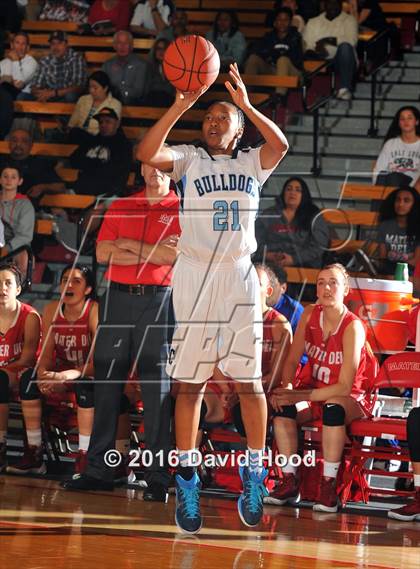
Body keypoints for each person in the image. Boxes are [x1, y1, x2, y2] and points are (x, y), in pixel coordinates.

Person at [137, 62, 289, 533]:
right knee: (191, 385)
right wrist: (179, 104)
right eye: (209, 118)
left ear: (239, 128)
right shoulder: (188, 159)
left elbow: (280, 144)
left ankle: (254, 473)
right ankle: (187, 479)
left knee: (250, 384)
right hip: (196, 273)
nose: (214, 123)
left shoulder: (251, 163)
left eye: (223, 118)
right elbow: (145, 151)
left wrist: (244, 103)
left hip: (239, 275)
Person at [63, 163, 180, 502]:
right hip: (116, 298)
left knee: (156, 391)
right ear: (141, 168)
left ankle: (158, 476)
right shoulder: (121, 205)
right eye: (151, 165)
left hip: (158, 301)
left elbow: (171, 257)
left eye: (163, 167)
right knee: (106, 386)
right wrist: (148, 251)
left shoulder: (181, 209)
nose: (156, 171)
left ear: (171, 171)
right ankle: (97, 470)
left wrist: (126, 245)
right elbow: (102, 252)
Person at [269, 263, 377, 511]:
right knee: (284, 410)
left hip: (352, 396)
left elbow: (345, 386)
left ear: (346, 290)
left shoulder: (352, 326)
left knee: (333, 409)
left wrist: (299, 393)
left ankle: (329, 486)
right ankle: (289, 480)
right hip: (315, 390)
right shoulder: (309, 314)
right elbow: (293, 360)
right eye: (321, 282)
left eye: (333, 283)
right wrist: (286, 389)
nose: (326, 288)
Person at [7, 265, 98, 475]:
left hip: (86, 374)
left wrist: (64, 376)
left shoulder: (94, 311)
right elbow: (46, 355)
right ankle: (35, 453)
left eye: (76, 281)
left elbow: (97, 363)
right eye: (65, 279)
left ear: (88, 289)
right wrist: (43, 374)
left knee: (86, 386)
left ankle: (84, 456)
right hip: (61, 375)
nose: (69, 284)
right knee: (28, 379)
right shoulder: (51, 310)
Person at [201, 264, 292, 437]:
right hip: (227, 388)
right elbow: (214, 361)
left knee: (245, 408)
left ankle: (254, 460)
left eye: (255, 283)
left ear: (269, 291)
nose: (247, 287)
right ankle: (187, 461)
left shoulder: (279, 324)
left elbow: (275, 377)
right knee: (190, 400)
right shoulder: (228, 318)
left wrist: (240, 391)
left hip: (261, 390)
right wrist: (228, 391)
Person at [0, 263, 41, 472]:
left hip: (20, 373)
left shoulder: (30, 316)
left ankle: (28, 451)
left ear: (18, 289)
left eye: (8, 283)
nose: (2, 288)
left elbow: (27, 359)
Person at [255, 176, 329, 268]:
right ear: (283, 193)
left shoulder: (313, 215)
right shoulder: (269, 214)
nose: (292, 192)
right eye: (289, 189)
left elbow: (318, 246)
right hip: (269, 264)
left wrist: (294, 259)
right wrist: (267, 255)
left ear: (304, 195)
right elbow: (255, 240)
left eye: (298, 190)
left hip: (304, 266)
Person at [69, 107, 132, 197]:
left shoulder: (123, 145)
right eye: (101, 122)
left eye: (108, 121)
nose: (103, 125)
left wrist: (90, 164)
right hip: (81, 188)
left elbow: (117, 172)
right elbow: (74, 160)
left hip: (106, 192)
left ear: (117, 124)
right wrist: (95, 164)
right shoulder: (91, 141)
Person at [303, 0, 358, 100]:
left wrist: (328, 40)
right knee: (307, 53)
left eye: (335, 3)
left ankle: (344, 89)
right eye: (330, 3)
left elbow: (352, 41)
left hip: (342, 59)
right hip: (321, 58)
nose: (333, 6)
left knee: (345, 47)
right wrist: (317, 50)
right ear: (324, 5)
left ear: (341, 5)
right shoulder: (313, 22)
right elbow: (307, 44)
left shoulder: (349, 20)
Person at [245, 7, 303, 96]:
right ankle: (246, 95)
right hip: (273, 68)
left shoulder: (296, 37)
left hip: (292, 71)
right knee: (253, 59)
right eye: (279, 19)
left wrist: (277, 54)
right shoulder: (269, 36)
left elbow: (297, 60)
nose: (282, 23)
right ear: (275, 22)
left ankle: (279, 96)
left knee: (282, 60)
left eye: (285, 20)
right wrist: (272, 55)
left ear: (290, 22)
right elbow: (259, 51)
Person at [0, 128, 65, 203]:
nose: (18, 144)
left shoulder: (40, 164)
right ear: (9, 143)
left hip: (29, 210)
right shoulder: (1, 161)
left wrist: (42, 187)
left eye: (24, 141)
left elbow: (61, 187)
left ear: (31, 145)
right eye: (14, 140)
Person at [30, 31, 87, 103]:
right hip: (49, 96)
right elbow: (34, 86)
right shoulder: (45, 61)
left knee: (71, 96)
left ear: (66, 44)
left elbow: (79, 86)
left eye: (59, 43)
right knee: (25, 96)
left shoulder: (76, 58)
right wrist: (40, 93)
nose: (55, 47)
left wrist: (54, 93)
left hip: (66, 96)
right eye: (53, 44)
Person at [373, 106, 420, 190]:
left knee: (393, 177)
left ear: (416, 122)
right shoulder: (390, 144)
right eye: (402, 119)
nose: (406, 121)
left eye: (409, 118)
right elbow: (379, 170)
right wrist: (376, 190)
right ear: (398, 123)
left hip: (413, 188)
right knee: (384, 175)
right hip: (389, 186)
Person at [0, 164, 35, 276]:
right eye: (5, 176)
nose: (8, 180)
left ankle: (17, 291)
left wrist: (7, 248)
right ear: (0, 179)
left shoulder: (25, 204)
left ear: (20, 181)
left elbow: (25, 236)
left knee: (24, 258)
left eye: (13, 177)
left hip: (15, 246)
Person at [376, 186, 420, 276]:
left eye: (406, 200)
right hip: (387, 272)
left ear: (414, 205)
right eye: (398, 200)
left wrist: (396, 272)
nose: (400, 204)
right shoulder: (384, 226)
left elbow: (415, 261)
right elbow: (382, 258)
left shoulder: (418, 228)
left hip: (410, 273)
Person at [67, 71, 122, 136]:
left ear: (105, 88)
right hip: (79, 135)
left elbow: (110, 130)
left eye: (95, 88)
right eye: (90, 87)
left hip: (99, 139)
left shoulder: (115, 104)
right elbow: (72, 123)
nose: (91, 90)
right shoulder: (83, 99)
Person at [102, 30, 149, 105]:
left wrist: (118, 91)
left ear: (131, 46)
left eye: (126, 43)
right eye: (119, 43)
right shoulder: (107, 65)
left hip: (134, 104)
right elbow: (102, 88)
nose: (122, 46)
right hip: (110, 103)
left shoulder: (141, 65)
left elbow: (139, 92)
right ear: (114, 45)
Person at [266, 264, 304, 333]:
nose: (266, 289)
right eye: (262, 284)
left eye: (271, 284)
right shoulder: (250, 305)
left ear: (283, 288)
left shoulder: (295, 311)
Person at [0, 31, 38, 99]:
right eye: (17, 43)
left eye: (23, 44)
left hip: (23, 95)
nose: (20, 47)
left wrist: (15, 60)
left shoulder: (32, 63)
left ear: (28, 47)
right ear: (11, 45)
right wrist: (9, 81)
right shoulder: (3, 63)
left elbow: (18, 86)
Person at [143, 38, 175, 107]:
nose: (161, 52)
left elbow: (172, 89)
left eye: (164, 49)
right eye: (158, 49)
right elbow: (147, 88)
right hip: (153, 100)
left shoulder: (175, 68)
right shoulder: (149, 67)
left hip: (170, 101)